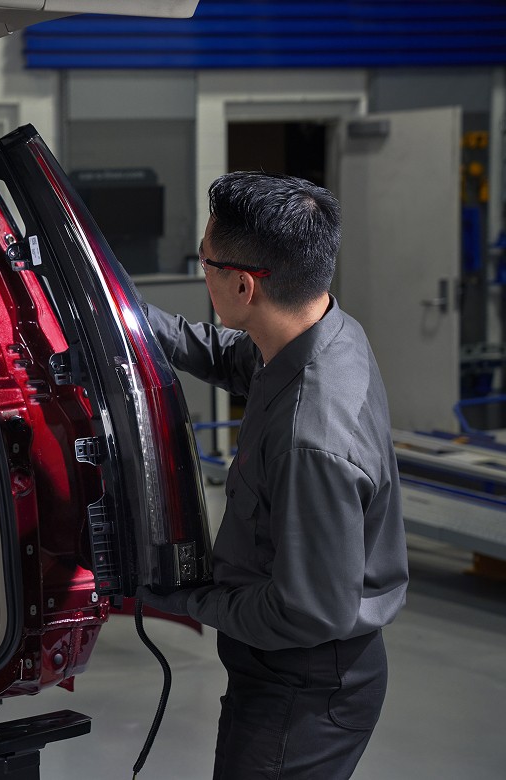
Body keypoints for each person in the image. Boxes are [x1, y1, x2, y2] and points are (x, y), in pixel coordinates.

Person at [136, 172, 409, 779]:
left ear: (241, 283)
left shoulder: (313, 438)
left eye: (205, 263)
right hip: (285, 669)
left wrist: (192, 599)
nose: (202, 272)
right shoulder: (322, 332)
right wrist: (124, 317)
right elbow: (228, 354)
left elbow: (309, 612)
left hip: (304, 687)